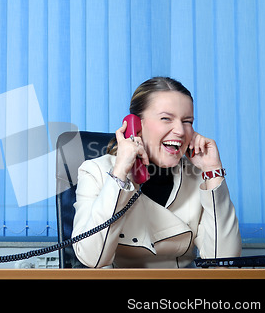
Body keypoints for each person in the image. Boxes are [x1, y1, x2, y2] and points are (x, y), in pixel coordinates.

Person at [71, 77, 241, 268]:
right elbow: (93, 259)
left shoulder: (197, 177)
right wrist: (120, 174)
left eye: (187, 121)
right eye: (166, 118)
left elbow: (224, 261)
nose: (180, 131)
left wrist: (212, 171)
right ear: (135, 125)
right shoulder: (97, 172)